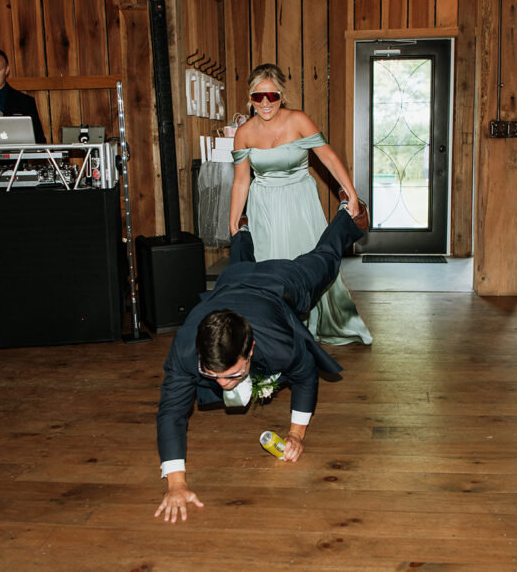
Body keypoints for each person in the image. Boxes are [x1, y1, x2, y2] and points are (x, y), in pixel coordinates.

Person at [155, 200, 368, 524]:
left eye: (232, 375)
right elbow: (171, 413)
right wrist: (177, 484)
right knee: (236, 268)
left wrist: (296, 435)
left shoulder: (280, 346)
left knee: (324, 260)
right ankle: (243, 231)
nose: (222, 385)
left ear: (251, 349)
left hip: (283, 283)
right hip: (231, 284)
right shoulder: (184, 351)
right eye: (211, 375)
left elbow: (306, 377)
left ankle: (346, 214)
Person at [229, 63, 372, 346]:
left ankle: (318, 322)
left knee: (310, 263)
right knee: (269, 267)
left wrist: (351, 194)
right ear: (250, 99)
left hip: (299, 202)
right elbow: (241, 181)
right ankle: (278, 329)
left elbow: (328, 158)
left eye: (272, 95)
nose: (266, 103)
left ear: (282, 95)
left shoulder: (298, 121)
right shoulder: (243, 133)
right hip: (264, 207)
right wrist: (234, 222)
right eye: (258, 97)